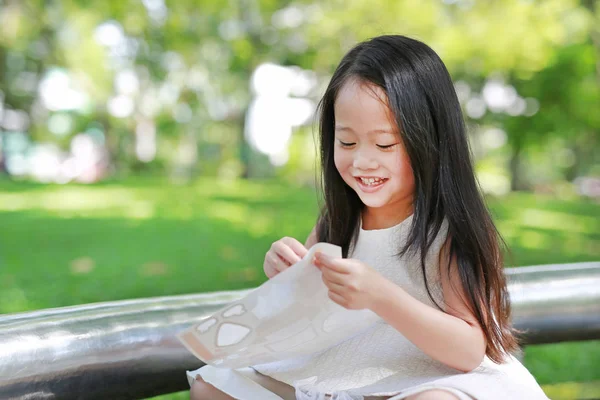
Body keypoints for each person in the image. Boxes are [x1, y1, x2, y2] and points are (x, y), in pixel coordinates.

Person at [189, 35, 549, 400]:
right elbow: (308, 307)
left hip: (437, 379)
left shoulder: (447, 232)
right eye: (346, 142)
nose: (362, 161)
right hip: (350, 376)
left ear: (430, 140)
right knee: (212, 385)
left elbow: (469, 351)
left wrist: (381, 296)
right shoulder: (341, 219)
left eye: (384, 144)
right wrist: (287, 274)